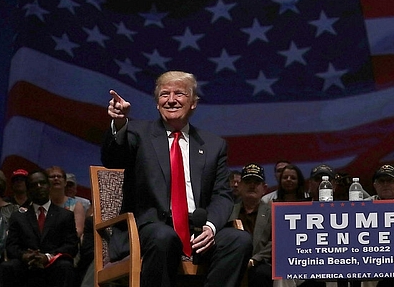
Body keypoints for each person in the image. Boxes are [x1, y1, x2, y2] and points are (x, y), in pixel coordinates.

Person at [101, 70, 252, 287]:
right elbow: (113, 159)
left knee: (239, 240)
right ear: (156, 103)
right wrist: (119, 123)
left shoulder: (213, 145)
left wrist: (210, 227)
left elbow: (222, 195)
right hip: (150, 229)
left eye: (179, 94)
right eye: (164, 95)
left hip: (196, 230)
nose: (171, 100)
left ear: (193, 103)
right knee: (164, 237)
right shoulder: (137, 133)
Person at [0, 169, 78, 287]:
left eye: (42, 183)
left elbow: (71, 245)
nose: (39, 186)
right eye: (34, 185)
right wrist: (25, 256)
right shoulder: (18, 216)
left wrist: (47, 257)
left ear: (48, 186)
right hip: (25, 264)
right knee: (6, 268)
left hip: (53, 264)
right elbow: (11, 246)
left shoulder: (65, 215)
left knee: (65, 267)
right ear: (28, 191)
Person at [229, 163, 272, 287]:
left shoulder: (273, 212)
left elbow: (276, 242)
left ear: (264, 188)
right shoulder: (229, 211)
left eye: (256, 182)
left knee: (261, 273)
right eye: (248, 181)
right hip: (233, 261)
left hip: (262, 263)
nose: (252, 185)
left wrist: (254, 260)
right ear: (240, 186)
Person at [45, 166, 85, 238]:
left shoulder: (76, 205)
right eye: (52, 176)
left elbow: (78, 231)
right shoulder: (42, 204)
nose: (56, 178)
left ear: (65, 182)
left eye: (59, 176)